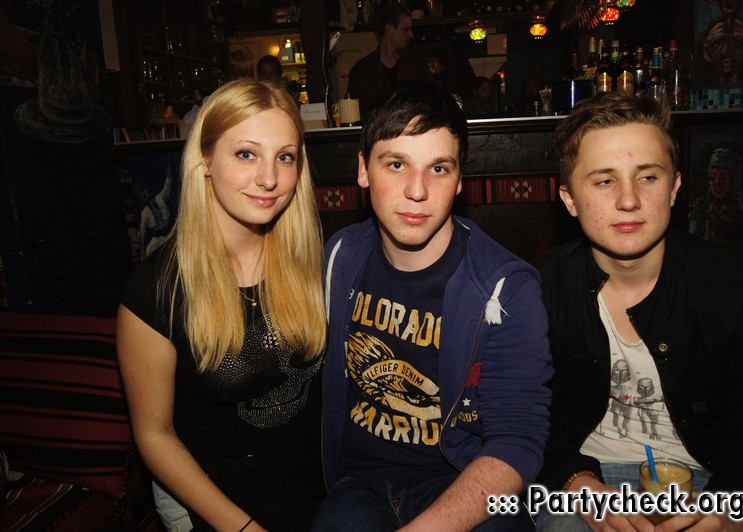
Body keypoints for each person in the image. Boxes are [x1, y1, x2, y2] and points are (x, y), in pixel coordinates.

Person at [532, 91, 743, 531]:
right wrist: (577, 483)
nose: (629, 200)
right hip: (584, 481)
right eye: (604, 181)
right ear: (569, 198)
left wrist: (733, 513)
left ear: (674, 188)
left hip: (712, 481)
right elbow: (528, 423)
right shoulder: (538, 290)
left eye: (648, 177)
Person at [312, 80, 553, 531]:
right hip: (358, 485)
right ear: (363, 170)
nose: (417, 190)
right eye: (396, 164)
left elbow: (517, 440)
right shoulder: (340, 258)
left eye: (438, 168)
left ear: (459, 180)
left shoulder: (504, 288)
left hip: (465, 477)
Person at [116, 78, 328, 532]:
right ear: (206, 159)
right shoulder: (155, 291)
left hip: (320, 487)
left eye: (285, 157)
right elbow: (154, 435)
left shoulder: (313, 261)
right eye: (247, 154)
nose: (269, 178)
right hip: (220, 497)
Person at [346, 2, 433, 119]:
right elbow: (352, 115)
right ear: (389, 29)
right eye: (405, 30)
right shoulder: (362, 71)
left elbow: (431, 106)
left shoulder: (417, 66)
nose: (411, 35)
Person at [688, 147, 743, 250]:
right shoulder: (700, 211)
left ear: (733, 180)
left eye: (723, 178)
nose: (717, 183)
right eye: (712, 177)